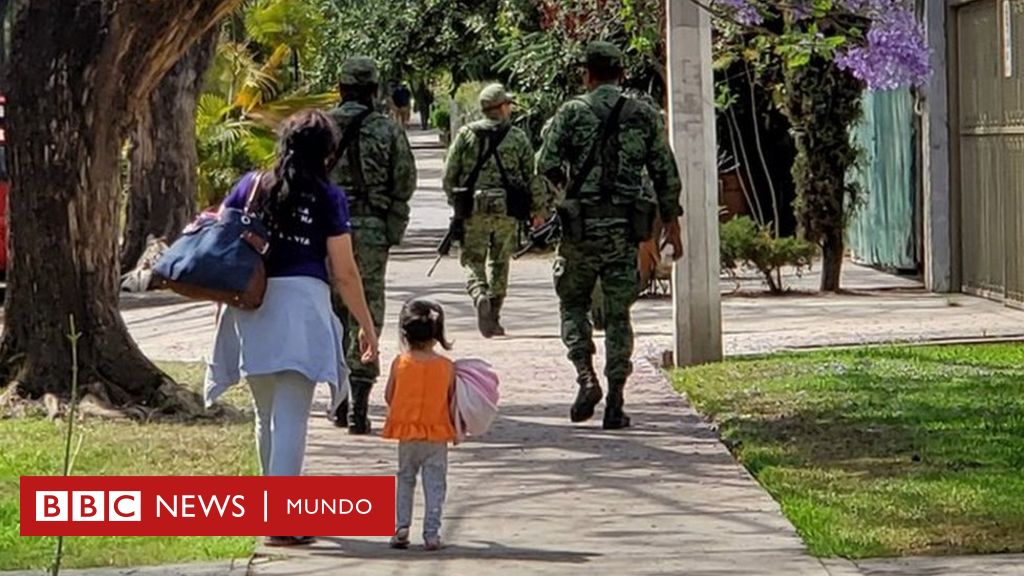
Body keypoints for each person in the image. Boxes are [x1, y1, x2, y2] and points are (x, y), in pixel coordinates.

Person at [205, 110, 380, 547]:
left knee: (266, 417)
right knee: (291, 418)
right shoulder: (327, 196)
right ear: (327, 152)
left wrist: (219, 308)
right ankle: (282, 520)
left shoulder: (250, 185)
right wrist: (366, 325)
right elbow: (344, 272)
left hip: (249, 306)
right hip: (300, 308)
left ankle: (273, 515)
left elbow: (221, 246)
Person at [536, 42, 684, 430]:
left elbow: (546, 163)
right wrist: (671, 223)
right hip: (624, 230)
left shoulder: (571, 113)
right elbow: (665, 173)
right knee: (619, 314)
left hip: (580, 229)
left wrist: (566, 194)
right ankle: (616, 400)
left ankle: (586, 376)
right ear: (622, 74)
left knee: (572, 304)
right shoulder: (644, 113)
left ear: (587, 74)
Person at [327, 57, 417, 434]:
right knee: (366, 304)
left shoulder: (323, 127)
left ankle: (340, 396)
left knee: (332, 312)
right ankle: (360, 400)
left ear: (342, 88)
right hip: (370, 228)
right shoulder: (387, 129)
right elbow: (406, 180)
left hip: (325, 229)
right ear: (375, 91)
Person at [442, 83, 545, 338]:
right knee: (500, 260)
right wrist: (538, 209)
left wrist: (454, 200)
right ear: (500, 108)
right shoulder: (517, 137)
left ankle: (479, 293)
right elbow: (530, 176)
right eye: (507, 104)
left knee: (472, 258)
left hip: (473, 208)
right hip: (506, 209)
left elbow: (449, 173)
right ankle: (494, 314)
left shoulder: (466, 135)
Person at [382, 298, 457, 551]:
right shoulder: (447, 367)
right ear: (437, 333)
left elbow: (389, 395)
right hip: (437, 434)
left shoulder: (400, 363)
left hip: (407, 433)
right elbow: (451, 399)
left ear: (404, 332)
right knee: (435, 482)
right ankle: (432, 533)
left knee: (405, 477)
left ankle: (401, 527)